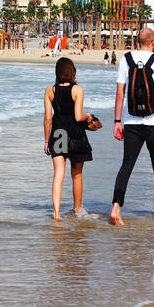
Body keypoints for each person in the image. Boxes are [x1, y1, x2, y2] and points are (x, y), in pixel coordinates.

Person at [110, 28, 154, 224]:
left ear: (138, 41)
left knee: (126, 165)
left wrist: (117, 122)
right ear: (153, 41)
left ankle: (116, 206)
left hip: (130, 122)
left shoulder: (126, 59)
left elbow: (120, 93)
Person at [43, 58, 95, 220]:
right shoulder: (77, 90)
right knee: (77, 175)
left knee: (58, 174)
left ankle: (56, 213)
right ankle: (77, 209)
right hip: (76, 135)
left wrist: (46, 141)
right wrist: (88, 116)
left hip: (58, 134)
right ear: (72, 71)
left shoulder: (50, 90)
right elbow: (78, 116)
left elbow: (47, 118)